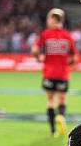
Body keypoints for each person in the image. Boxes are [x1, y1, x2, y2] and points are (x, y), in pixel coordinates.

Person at [32, 8, 78, 136]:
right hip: (63, 73)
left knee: (50, 100)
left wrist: (39, 58)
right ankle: (61, 117)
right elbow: (74, 57)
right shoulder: (67, 36)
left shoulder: (45, 34)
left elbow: (35, 50)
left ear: (53, 20)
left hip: (49, 73)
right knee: (62, 99)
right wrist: (68, 63)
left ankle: (53, 130)